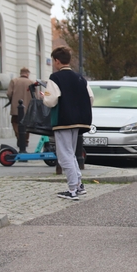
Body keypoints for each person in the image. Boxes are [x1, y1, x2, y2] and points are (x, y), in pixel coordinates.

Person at [42, 46, 94, 201]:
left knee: (64, 155)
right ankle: (79, 185)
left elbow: (51, 100)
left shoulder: (55, 78)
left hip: (63, 120)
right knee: (71, 153)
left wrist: (43, 96)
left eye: (53, 61)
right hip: (79, 121)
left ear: (57, 61)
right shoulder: (80, 78)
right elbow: (91, 98)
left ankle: (72, 189)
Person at [6, 67, 33, 148]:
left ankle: (18, 136)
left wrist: (12, 100)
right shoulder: (31, 82)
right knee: (27, 125)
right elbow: (37, 96)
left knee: (15, 122)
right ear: (28, 74)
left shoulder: (14, 81)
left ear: (20, 73)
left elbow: (8, 93)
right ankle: (25, 140)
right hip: (28, 109)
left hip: (16, 108)